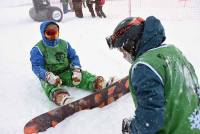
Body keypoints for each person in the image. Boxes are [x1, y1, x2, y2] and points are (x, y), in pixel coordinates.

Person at [106, 16, 200, 133]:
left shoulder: (144, 66)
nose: (123, 55)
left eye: (122, 50)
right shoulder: (174, 52)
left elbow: (150, 121)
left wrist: (131, 128)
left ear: (131, 43)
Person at [30, 21, 109, 106]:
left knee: (81, 76)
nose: (53, 36)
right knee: (48, 85)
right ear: (43, 34)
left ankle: (97, 83)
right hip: (50, 76)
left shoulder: (64, 44)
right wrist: (47, 76)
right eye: (49, 33)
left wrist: (76, 69)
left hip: (65, 72)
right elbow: (36, 66)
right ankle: (60, 96)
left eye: (55, 33)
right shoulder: (38, 49)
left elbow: (73, 56)